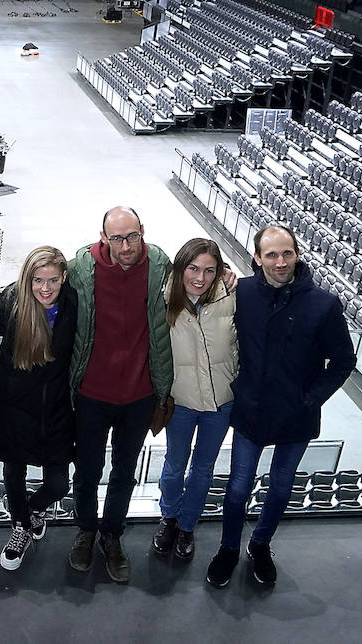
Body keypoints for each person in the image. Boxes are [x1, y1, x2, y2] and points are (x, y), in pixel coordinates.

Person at [206, 224, 356, 589]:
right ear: (257, 258)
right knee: (238, 487)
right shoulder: (241, 291)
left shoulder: (324, 304)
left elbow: (342, 362)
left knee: (281, 488)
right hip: (252, 409)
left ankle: (260, 545)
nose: (280, 262)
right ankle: (228, 548)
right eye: (271, 254)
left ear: (297, 254)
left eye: (287, 253)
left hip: (296, 416)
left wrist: (309, 399)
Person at [63, 206, 172, 584]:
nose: (126, 246)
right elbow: (41, 284)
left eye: (132, 236)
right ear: (103, 237)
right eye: (117, 238)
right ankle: (86, 531)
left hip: (139, 394)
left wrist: (226, 276)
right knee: (88, 471)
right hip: (92, 392)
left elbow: (196, 282)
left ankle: (112, 535)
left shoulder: (159, 263)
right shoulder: (82, 268)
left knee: (125, 472)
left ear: (143, 230)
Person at [0, 246, 78, 571]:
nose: (46, 288)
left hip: (55, 410)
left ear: (64, 278)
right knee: (14, 472)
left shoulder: (74, 305)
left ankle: (32, 512)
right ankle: (22, 524)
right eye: (38, 280)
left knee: (58, 484)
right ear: (27, 279)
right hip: (14, 409)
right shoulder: (10, 302)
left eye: (53, 280)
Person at [153, 238, 238, 564]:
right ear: (180, 267)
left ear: (219, 272)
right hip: (182, 401)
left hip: (221, 402)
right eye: (193, 268)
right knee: (174, 467)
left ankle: (187, 526)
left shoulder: (232, 296)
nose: (200, 278)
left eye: (209, 270)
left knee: (203, 469)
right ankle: (169, 518)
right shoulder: (163, 298)